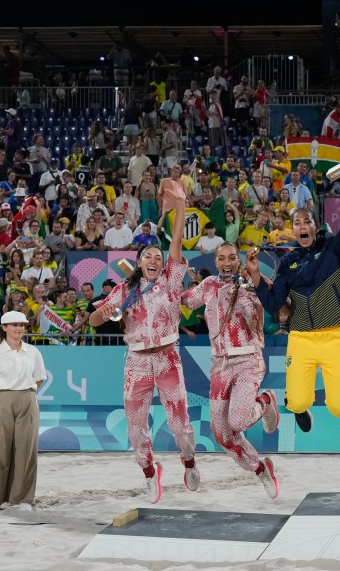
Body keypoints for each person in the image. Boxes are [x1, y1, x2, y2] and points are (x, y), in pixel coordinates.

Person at [88, 178, 199, 504]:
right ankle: (151, 475)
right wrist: (105, 310)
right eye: (148, 255)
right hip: (136, 362)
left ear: (163, 263)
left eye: (158, 256)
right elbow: (95, 320)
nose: (154, 259)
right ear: (139, 262)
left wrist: (179, 204)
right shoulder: (124, 289)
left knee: (181, 426)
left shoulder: (171, 279)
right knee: (136, 428)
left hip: (167, 359)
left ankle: (189, 462)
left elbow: (177, 239)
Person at [246, 169, 340, 451]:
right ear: (293, 230)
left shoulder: (333, 249)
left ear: (315, 225)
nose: (302, 226)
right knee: (296, 401)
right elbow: (274, 306)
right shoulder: (287, 263)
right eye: (296, 223)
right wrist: (257, 278)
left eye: (307, 221)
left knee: (338, 405)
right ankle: (301, 410)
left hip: (335, 336)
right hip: (301, 339)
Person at [182, 243, 281, 498]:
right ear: (215, 262)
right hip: (219, 365)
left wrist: (257, 281)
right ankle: (260, 468)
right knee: (222, 434)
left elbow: (278, 307)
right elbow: (187, 302)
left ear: (239, 260)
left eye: (232, 258)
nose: (227, 263)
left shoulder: (253, 283)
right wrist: (174, 278)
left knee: (238, 420)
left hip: (248, 359)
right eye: (221, 258)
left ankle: (266, 402)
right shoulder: (208, 286)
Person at [0, 311, 46, 512]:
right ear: (4, 328)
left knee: (26, 450)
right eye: (15, 325)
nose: (19, 329)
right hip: (0, 399)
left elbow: (39, 378)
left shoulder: (33, 352)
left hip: (27, 399)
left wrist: (24, 392)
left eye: (22, 325)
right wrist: (4, 396)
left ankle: (22, 499)